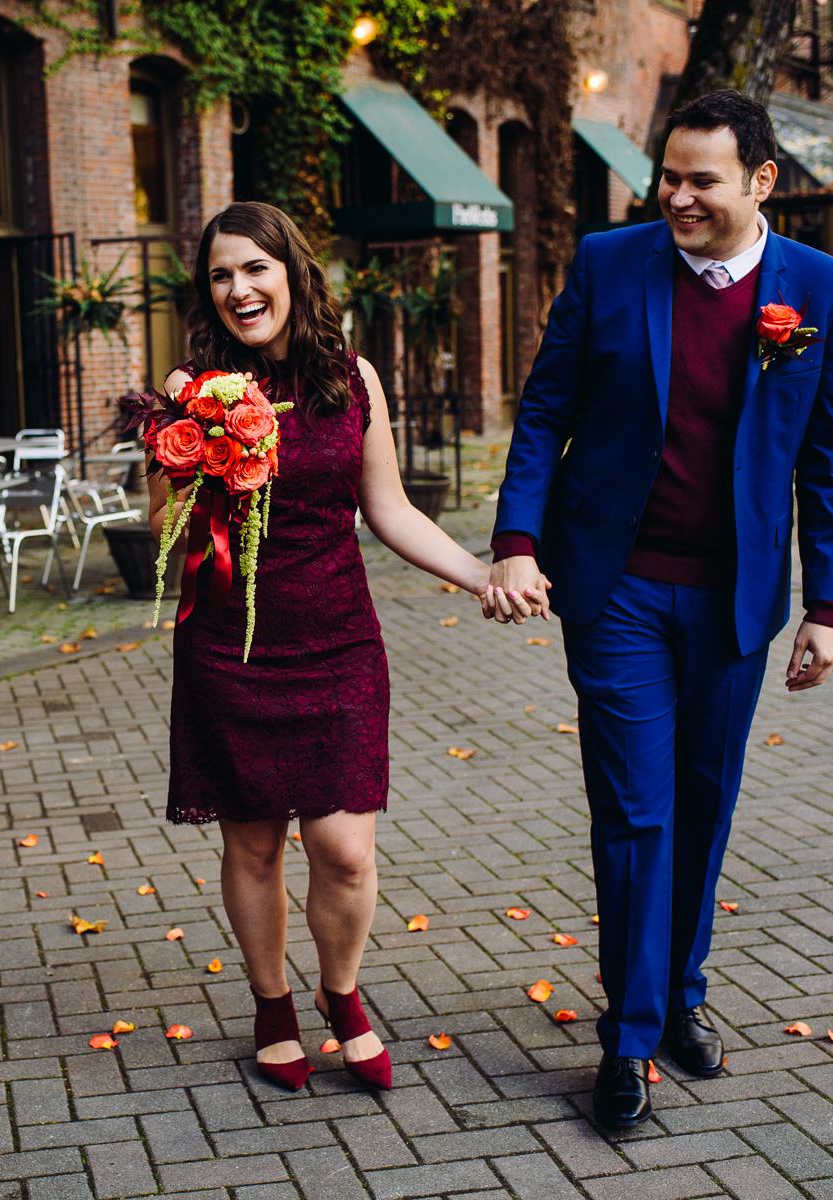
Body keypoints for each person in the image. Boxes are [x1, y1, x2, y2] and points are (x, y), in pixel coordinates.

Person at [484, 90, 833, 1126]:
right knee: (636, 814)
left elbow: (827, 460)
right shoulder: (612, 264)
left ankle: (681, 993)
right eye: (670, 176)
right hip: (617, 591)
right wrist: (517, 543)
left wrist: (827, 604)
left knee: (702, 808)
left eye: (702, 180)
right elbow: (546, 407)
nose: (678, 197)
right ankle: (629, 1036)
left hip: (737, 603)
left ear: (760, 183)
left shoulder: (822, 286)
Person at [148, 202, 535, 1092]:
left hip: (338, 644)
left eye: (254, 268)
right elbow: (170, 523)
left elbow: (388, 509)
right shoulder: (192, 388)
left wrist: (481, 575)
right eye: (220, 275)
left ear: (291, 270)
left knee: (345, 848)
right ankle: (274, 1005)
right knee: (252, 845)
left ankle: (342, 992)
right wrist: (204, 447)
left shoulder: (351, 379)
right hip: (230, 646)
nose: (239, 289)